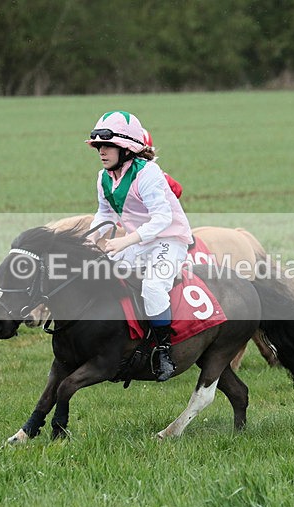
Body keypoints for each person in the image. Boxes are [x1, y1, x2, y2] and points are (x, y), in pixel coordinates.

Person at [85, 110, 193, 381]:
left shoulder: (148, 173)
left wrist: (124, 241)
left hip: (170, 238)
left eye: (107, 145)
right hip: (141, 240)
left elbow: (162, 218)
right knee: (99, 272)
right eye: (99, 146)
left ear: (127, 149)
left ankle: (165, 351)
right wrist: (90, 239)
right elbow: (105, 214)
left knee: (153, 285)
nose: (101, 151)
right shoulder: (103, 177)